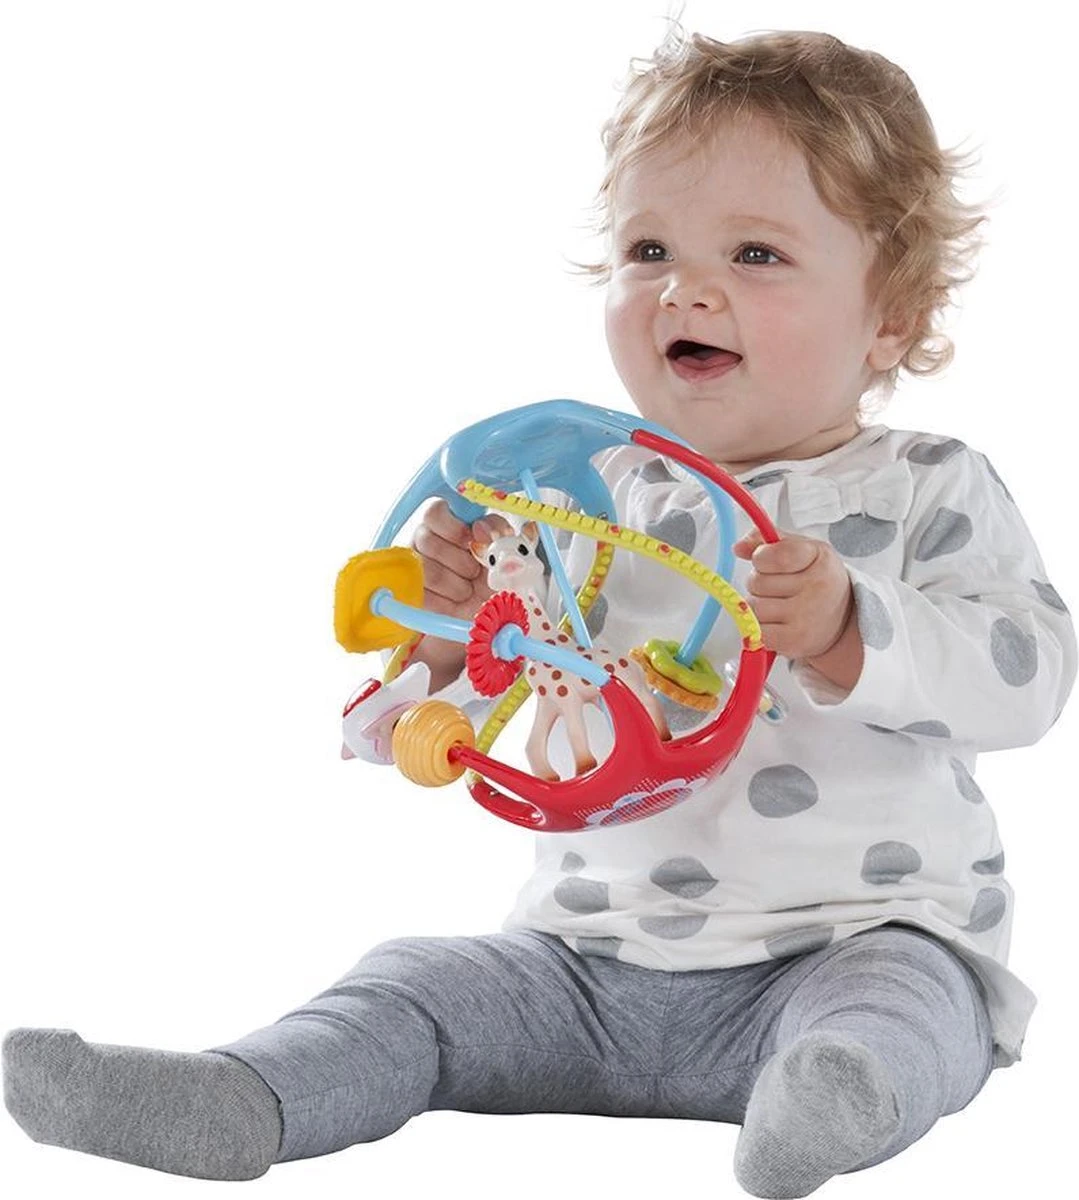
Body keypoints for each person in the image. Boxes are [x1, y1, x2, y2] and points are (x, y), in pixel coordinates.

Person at [4, 25, 1075, 1199]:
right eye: (648, 248)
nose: (685, 287)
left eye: (755, 253)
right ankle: (243, 1096)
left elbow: (1025, 678)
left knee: (904, 1012)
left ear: (889, 316)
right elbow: (470, 707)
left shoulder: (923, 485)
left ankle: (819, 1111)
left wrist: (845, 629)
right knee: (413, 983)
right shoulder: (580, 501)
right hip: (582, 962)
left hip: (844, 945)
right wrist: (443, 630)